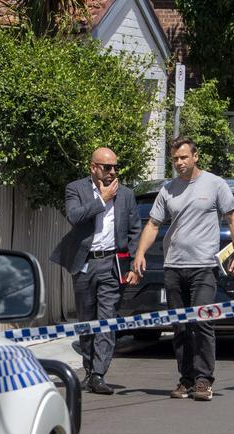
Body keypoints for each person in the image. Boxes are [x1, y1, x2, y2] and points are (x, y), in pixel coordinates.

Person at [132, 136, 234, 401]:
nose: (179, 163)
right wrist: (140, 253)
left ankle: (204, 380)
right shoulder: (168, 189)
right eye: (175, 159)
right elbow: (153, 224)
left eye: (184, 157)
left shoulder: (215, 184)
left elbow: (233, 217)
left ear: (195, 157)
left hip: (204, 267)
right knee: (180, 326)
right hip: (174, 266)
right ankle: (186, 379)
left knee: (202, 322)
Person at [50, 147, 141, 395]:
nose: (112, 172)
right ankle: (89, 370)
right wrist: (101, 199)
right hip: (85, 263)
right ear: (93, 168)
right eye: (106, 167)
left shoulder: (126, 195)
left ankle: (99, 373)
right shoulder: (75, 189)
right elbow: (75, 216)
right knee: (86, 320)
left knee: (107, 319)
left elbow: (134, 230)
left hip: (112, 264)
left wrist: (134, 264)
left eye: (115, 168)